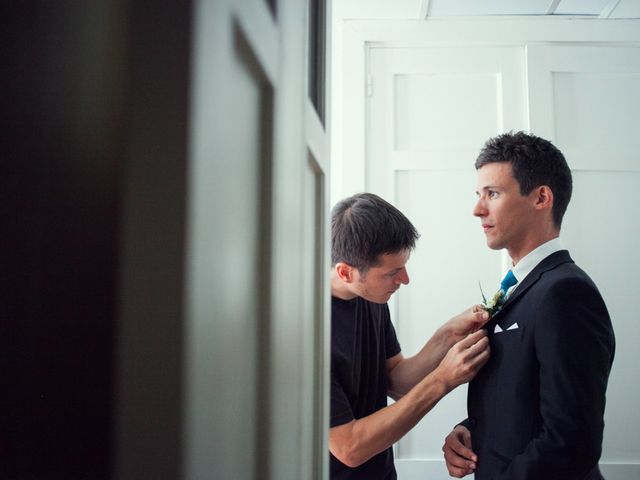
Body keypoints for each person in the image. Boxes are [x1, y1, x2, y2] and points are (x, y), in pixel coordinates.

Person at [442, 131, 616, 479]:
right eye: (479, 195)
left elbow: (571, 440)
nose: (477, 209)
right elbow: (524, 396)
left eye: (492, 194)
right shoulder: (524, 287)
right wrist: (472, 429)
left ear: (541, 198)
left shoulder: (566, 292)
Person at [330, 192, 491, 479]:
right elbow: (349, 447)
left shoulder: (371, 297)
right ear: (346, 273)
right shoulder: (305, 331)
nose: (405, 280)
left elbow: (395, 380)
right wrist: (442, 379)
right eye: (393, 272)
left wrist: (447, 335)